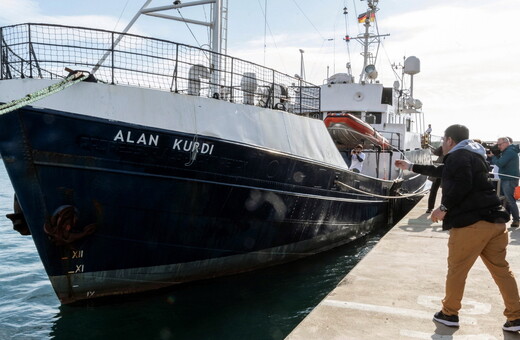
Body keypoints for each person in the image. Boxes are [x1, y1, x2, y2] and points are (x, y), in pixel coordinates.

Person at [395, 124, 520, 331]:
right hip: (496, 221)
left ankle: (449, 313)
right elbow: (442, 171)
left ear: (450, 140)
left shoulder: (457, 156)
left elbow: (462, 182)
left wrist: (443, 208)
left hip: (471, 224)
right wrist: (410, 166)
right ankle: (515, 317)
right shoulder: (474, 156)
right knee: (501, 271)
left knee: (457, 270)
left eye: (443, 140)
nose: (442, 144)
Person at [491, 137, 520, 228]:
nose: (498, 146)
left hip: (509, 180)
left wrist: (494, 156)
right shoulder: (509, 151)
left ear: (506, 143)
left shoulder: (509, 152)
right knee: (505, 200)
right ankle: (506, 217)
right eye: (498, 144)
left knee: (510, 200)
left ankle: (516, 220)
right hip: (507, 179)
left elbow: (500, 163)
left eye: (500, 144)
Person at [426, 146, 443, 213]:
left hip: (447, 170)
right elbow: (436, 152)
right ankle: (430, 208)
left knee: (445, 192)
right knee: (433, 190)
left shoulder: (455, 148)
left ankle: (442, 209)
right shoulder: (444, 147)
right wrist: (442, 146)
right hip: (438, 169)